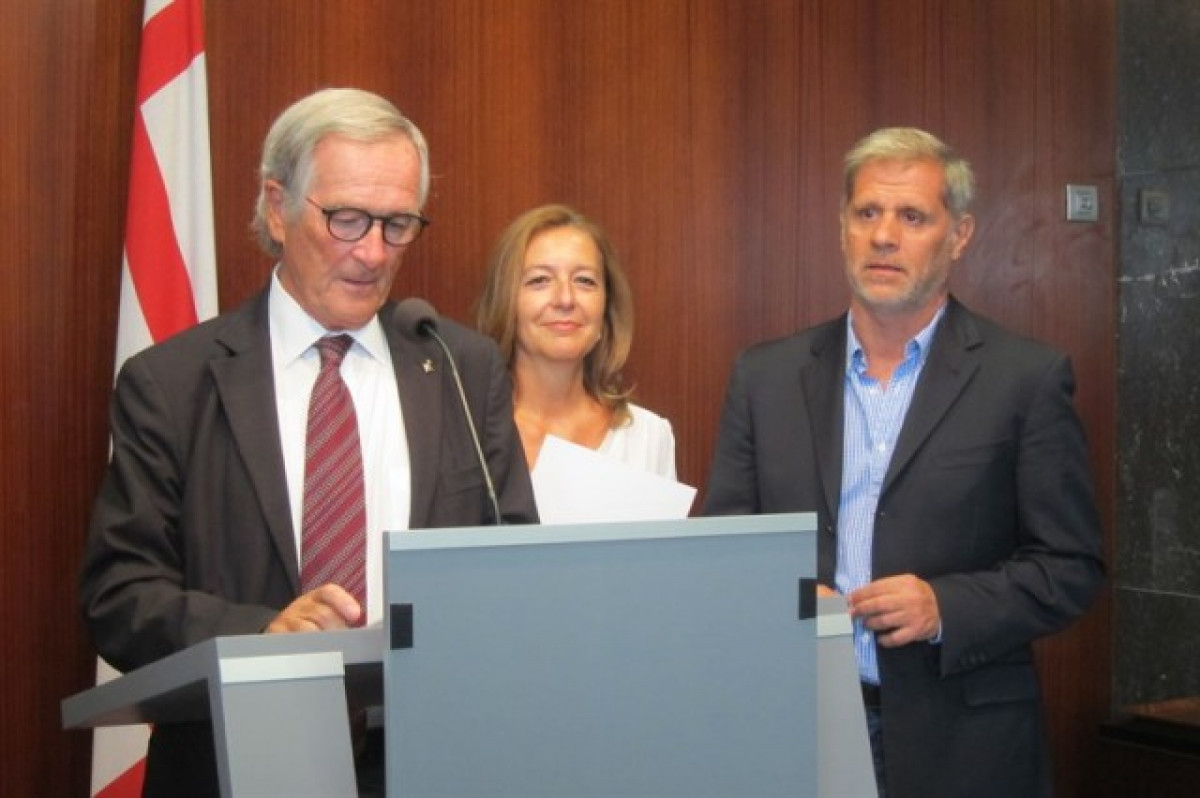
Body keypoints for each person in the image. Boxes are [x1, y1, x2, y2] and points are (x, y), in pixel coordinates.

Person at [79, 88, 538, 797]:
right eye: (347, 219)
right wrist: (263, 634)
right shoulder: (171, 383)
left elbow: (515, 569)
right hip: (234, 762)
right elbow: (119, 595)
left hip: (434, 762)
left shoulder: (458, 366)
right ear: (277, 207)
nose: (373, 252)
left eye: (397, 224)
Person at [702, 127, 1104, 797]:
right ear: (842, 227)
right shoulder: (765, 378)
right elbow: (724, 558)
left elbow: (1072, 567)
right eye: (867, 213)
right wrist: (797, 601)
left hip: (964, 745)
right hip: (798, 727)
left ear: (960, 234)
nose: (884, 236)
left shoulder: (1024, 379)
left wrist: (944, 605)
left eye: (912, 217)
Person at [475, 203, 677, 479]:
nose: (565, 299)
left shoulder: (648, 438)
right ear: (504, 300)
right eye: (540, 280)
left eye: (584, 281)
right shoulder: (466, 432)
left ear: (607, 306)